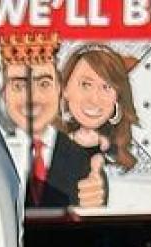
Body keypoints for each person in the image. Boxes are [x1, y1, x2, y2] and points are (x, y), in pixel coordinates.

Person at [0, 33, 101, 210]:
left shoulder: (82, 159)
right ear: (4, 93)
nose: (32, 98)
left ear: (59, 90)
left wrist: (96, 203)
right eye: (19, 86)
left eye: (44, 84)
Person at [57, 44, 141, 210]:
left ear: (117, 97)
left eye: (106, 87)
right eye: (86, 84)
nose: (94, 99)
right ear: (65, 89)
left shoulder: (120, 153)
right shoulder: (52, 147)